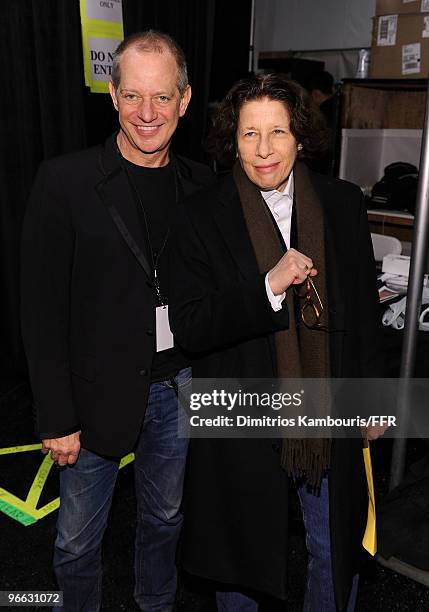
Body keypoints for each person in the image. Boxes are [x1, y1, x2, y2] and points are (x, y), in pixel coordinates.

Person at [168, 73, 385, 611]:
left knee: (332, 549)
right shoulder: (200, 215)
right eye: (249, 134)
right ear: (231, 140)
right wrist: (267, 286)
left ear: (301, 137)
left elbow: (362, 310)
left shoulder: (341, 203)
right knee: (240, 561)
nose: (264, 150)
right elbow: (191, 326)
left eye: (278, 133)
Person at [21, 30, 215, 612]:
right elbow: (41, 310)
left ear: (184, 100)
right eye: (133, 96)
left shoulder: (203, 186)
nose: (147, 113)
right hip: (92, 393)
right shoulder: (65, 181)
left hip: (177, 387)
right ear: (112, 95)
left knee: (165, 520)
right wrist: (56, 415)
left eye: (162, 97)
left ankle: (154, 606)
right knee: (78, 540)